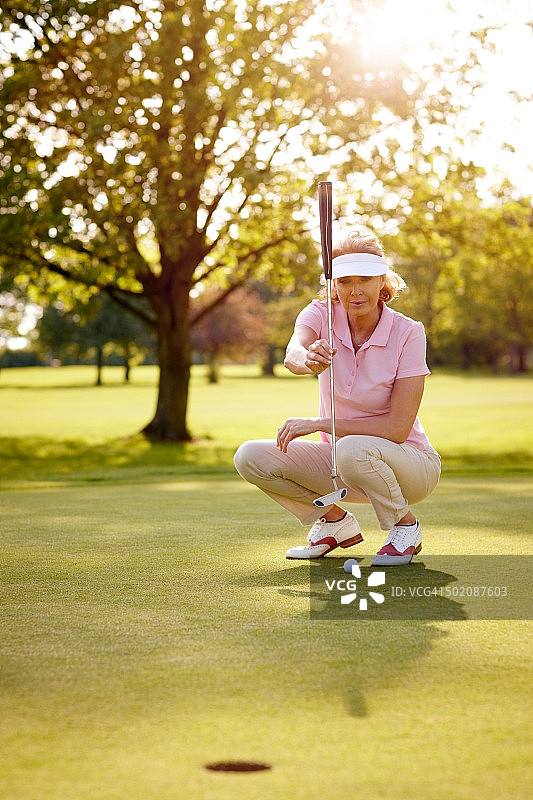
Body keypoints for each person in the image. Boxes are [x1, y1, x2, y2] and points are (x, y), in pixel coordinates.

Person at [234, 226, 441, 565]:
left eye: (365, 279)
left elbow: (397, 429)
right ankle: (334, 522)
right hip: (341, 463)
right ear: (334, 285)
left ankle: (405, 527)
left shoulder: (408, 332)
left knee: (349, 447)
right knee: (250, 456)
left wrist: (320, 423)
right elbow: (293, 353)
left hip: (410, 467)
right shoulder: (319, 313)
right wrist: (308, 359)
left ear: (382, 281)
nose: (355, 291)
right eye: (345, 281)